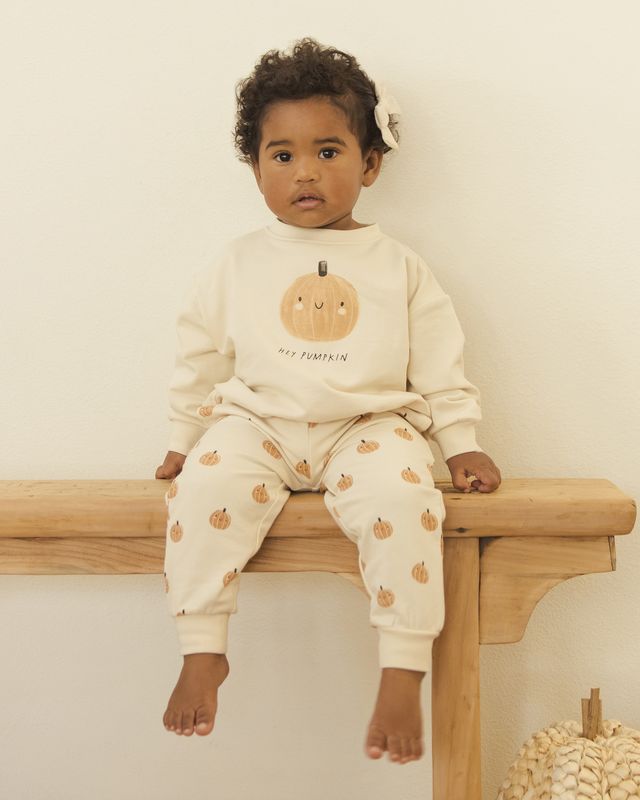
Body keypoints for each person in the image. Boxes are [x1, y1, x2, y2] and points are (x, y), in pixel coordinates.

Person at [156, 37, 501, 765]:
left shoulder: (398, 266)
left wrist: (459, 439)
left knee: (407, 502)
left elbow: (440, 360)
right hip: (258, 424)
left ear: (370, 163)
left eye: (329, 151)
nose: (305, 172)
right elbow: (198, 355)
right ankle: (202, 645)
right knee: (202, 488)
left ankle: (403, 666)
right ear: (255, 168)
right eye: (281, 155)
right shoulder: (238, 262)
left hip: (367, 427)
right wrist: (185, 440)